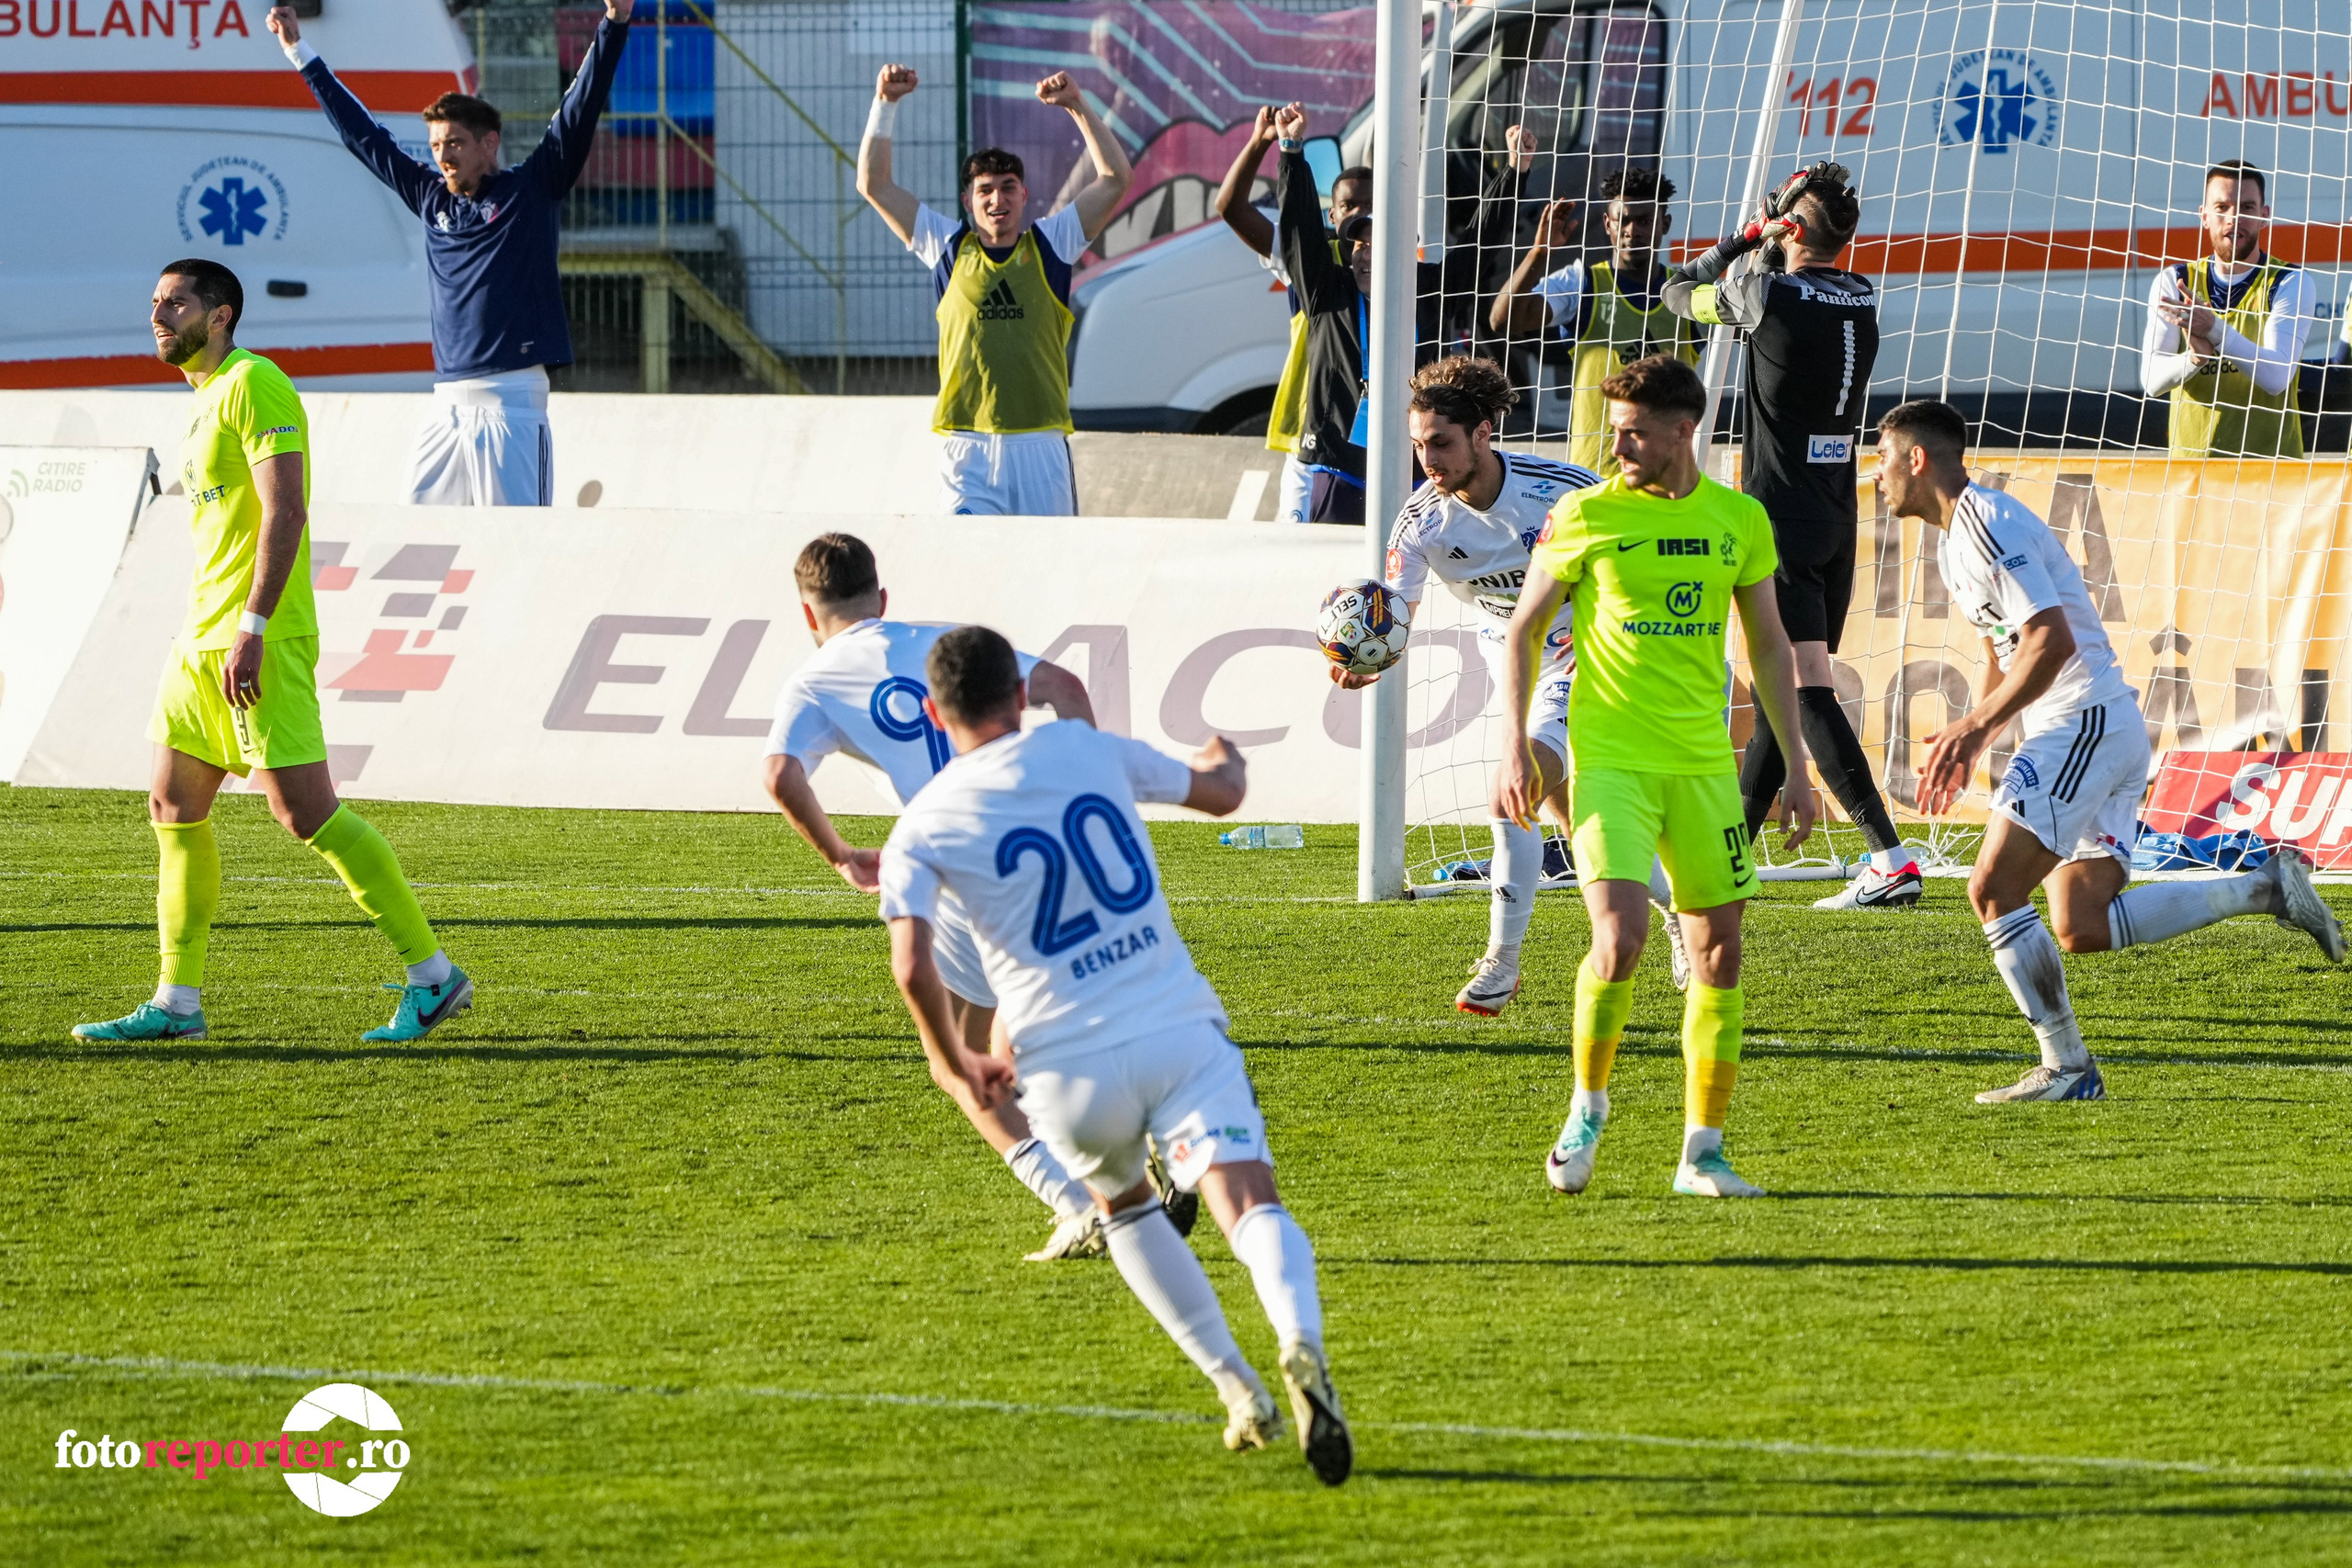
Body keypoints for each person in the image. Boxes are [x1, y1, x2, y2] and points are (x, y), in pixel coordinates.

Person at [878, 626, 1351, 1484]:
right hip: (1172, 1025)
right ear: (1019, 697)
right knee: (1249, 1205)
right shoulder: (1081, 748)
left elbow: (911, 964)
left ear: (935, 718)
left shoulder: (923, 824)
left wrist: (953, 1061)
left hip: (1060, 1063)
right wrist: (1225, 753)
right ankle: (1300, 1339)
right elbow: (1222, 793)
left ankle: (1240, 1390)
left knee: (1129, 1210)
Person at [1875, 400, 2343, 1103]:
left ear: (1917, 459)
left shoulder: (1982, 523)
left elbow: (2051, 640)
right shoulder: (1954, 538)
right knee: (2079, 922)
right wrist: (1980, 727)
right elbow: (2007, 649)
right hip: (2098, 726)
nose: (1876, 477)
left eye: (1883, 460)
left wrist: (1973, 731)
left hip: (2084, 722)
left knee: (1992, 890)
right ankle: (2266, 886)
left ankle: (2068, 1067)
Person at [763, 534, 1193, 1261]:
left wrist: (839, 855)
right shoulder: (946, 644)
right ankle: (1173, 1137)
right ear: (883, 596)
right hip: (1048, 843)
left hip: (960, 863)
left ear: (809, 615)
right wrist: (1076, 773)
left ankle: (1079, 1199)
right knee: (1054, 1018)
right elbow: (1065, 687)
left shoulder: (812, 681)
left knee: (960, 1060)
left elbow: (779, 775)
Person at [74, 261, 468, 1046]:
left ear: (220, 316)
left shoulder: (256, 383)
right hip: (200, 643)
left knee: (305, 813)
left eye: (175, 301)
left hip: (258, 636)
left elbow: (286, 509)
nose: (158, 312)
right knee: (172, 805)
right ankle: (177, 1003)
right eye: (153, 300)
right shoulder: (199, 401)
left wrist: (252, 628)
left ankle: (433, 977)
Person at [1496, 355, 1816, 1200]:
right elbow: (1524, 631)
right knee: (1623, 937)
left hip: (1705, 767)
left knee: (1720, 953)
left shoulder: (1739, 519)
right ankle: (1587, 1106)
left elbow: (1772, 648)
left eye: (1635, 431)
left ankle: (1701, 1152)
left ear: (1686, 430)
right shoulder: (1584, 513)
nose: (1619, 445)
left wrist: (1797, 765)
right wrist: (1512, 747)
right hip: (1612, 763)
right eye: (1615, 430)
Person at [1339, 355, 1692, 1011]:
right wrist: (1370, 656)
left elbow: (1637, 555)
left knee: (1513, 789)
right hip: (1515, 662)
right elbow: (1399, 614)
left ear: (1482, 433)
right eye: (1418, 447)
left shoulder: (1562, 490)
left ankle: (1500, 964)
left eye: (1440, 443)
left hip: (1592, 651)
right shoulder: (1420, 521)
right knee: (1572, 818)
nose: (1428, 461)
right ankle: (1680, 909)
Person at [1663, 159, 1917, 911]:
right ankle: (1729, 850)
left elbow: (1678, 294)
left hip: (1776, 516)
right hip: (1837, 515)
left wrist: (1746, 237)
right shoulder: (1861, 295)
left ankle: (1888, 853)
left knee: (1805, 686)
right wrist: (1780, 235)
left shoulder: (1763, 289)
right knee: (1786, 680)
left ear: (1790, 228)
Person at [267, 3, 634, 507]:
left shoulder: (532, 188)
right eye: (437, 144)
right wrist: (300, 53)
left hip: (512, 404)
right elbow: (364, 135)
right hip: (445, 406)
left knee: (515, 543)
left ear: (490, 145)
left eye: (456, 142)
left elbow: (581, 107)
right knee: (415, 531)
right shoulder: (429, 196)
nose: (443, 154)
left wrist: (614, 23)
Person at [856, 64, 1133, 516]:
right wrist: (884, 104)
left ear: (1025, 196)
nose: (996, 200)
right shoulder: (946, 247)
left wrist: (1078, 106)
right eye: (985, 191)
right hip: (968, 450)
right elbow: (875, 185)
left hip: (1040, 446)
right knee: (967, 573)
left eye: (1008, 189)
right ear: (968, 202)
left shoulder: (1052, 244)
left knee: (1047, 573)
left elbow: (1116, 179)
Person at [1270, 101, 1445, 525]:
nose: (1366, 254)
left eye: (1378, 242)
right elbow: (1301, 231)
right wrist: (1292, 152)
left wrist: (1514, 173)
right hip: (1335, 466)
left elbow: (1483, 245)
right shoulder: (1328, 291)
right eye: (1358, 243)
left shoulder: (1427, 290)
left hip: (1410, 474)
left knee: (1400, 586)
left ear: (1404, 249)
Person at [1214, 107, 1370, 526]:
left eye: (1370, 205)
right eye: (1349, 205)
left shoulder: (1403, 268)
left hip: (1382, 445)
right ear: (1332, 215)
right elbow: (1231, 207)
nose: (1359, 214)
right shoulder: (1309, 256)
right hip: (1316, 438)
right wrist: (1261, 142)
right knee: (1308, 559)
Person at [1487, 168, 1702, 471]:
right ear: (1607, 224)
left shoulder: (1685, 293)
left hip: (1667, 475)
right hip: (1595, 473)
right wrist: (1539, 252)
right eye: (1623, 220)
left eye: (1644, 221)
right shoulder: (1581, 283)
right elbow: (1503, 320)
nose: (1632, 230)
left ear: (1664, 224)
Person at [2143, 160, 2315, 458]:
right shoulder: (2176, 281)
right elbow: (2151, 381)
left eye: (2247, 207)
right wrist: (2195, 358)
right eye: (2222, 207)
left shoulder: (2289, 282)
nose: (2233, 218)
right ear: (2204, 216)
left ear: (2264, 216)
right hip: (2193, 477)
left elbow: (2275, 379)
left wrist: (2214, 330)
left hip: (2273, 476)